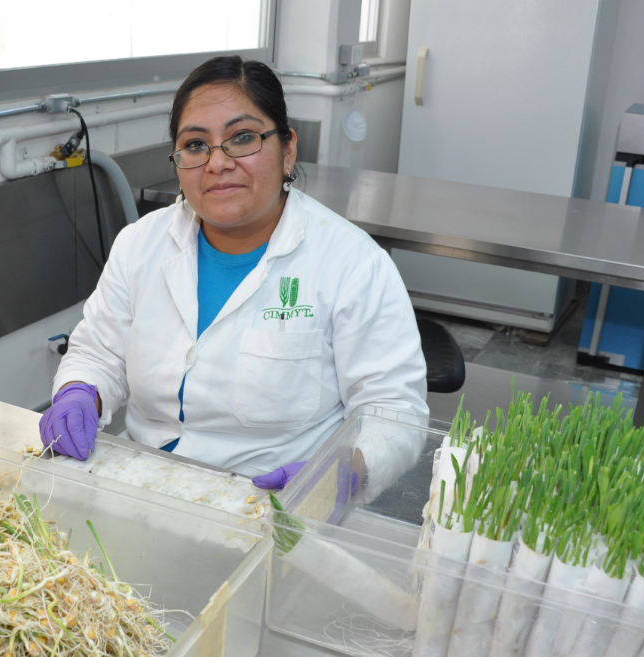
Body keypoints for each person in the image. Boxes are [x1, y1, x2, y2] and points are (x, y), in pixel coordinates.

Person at [39, 55, 428, 492]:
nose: (217, 162)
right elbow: (98, 354)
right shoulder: (140, 244)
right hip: (142, 485)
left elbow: (393, 409)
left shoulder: (353, 264)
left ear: (288, 149)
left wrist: (347, 470)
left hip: (275, 504)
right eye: (195, 144)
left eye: (242, 138)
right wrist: (78, 392)